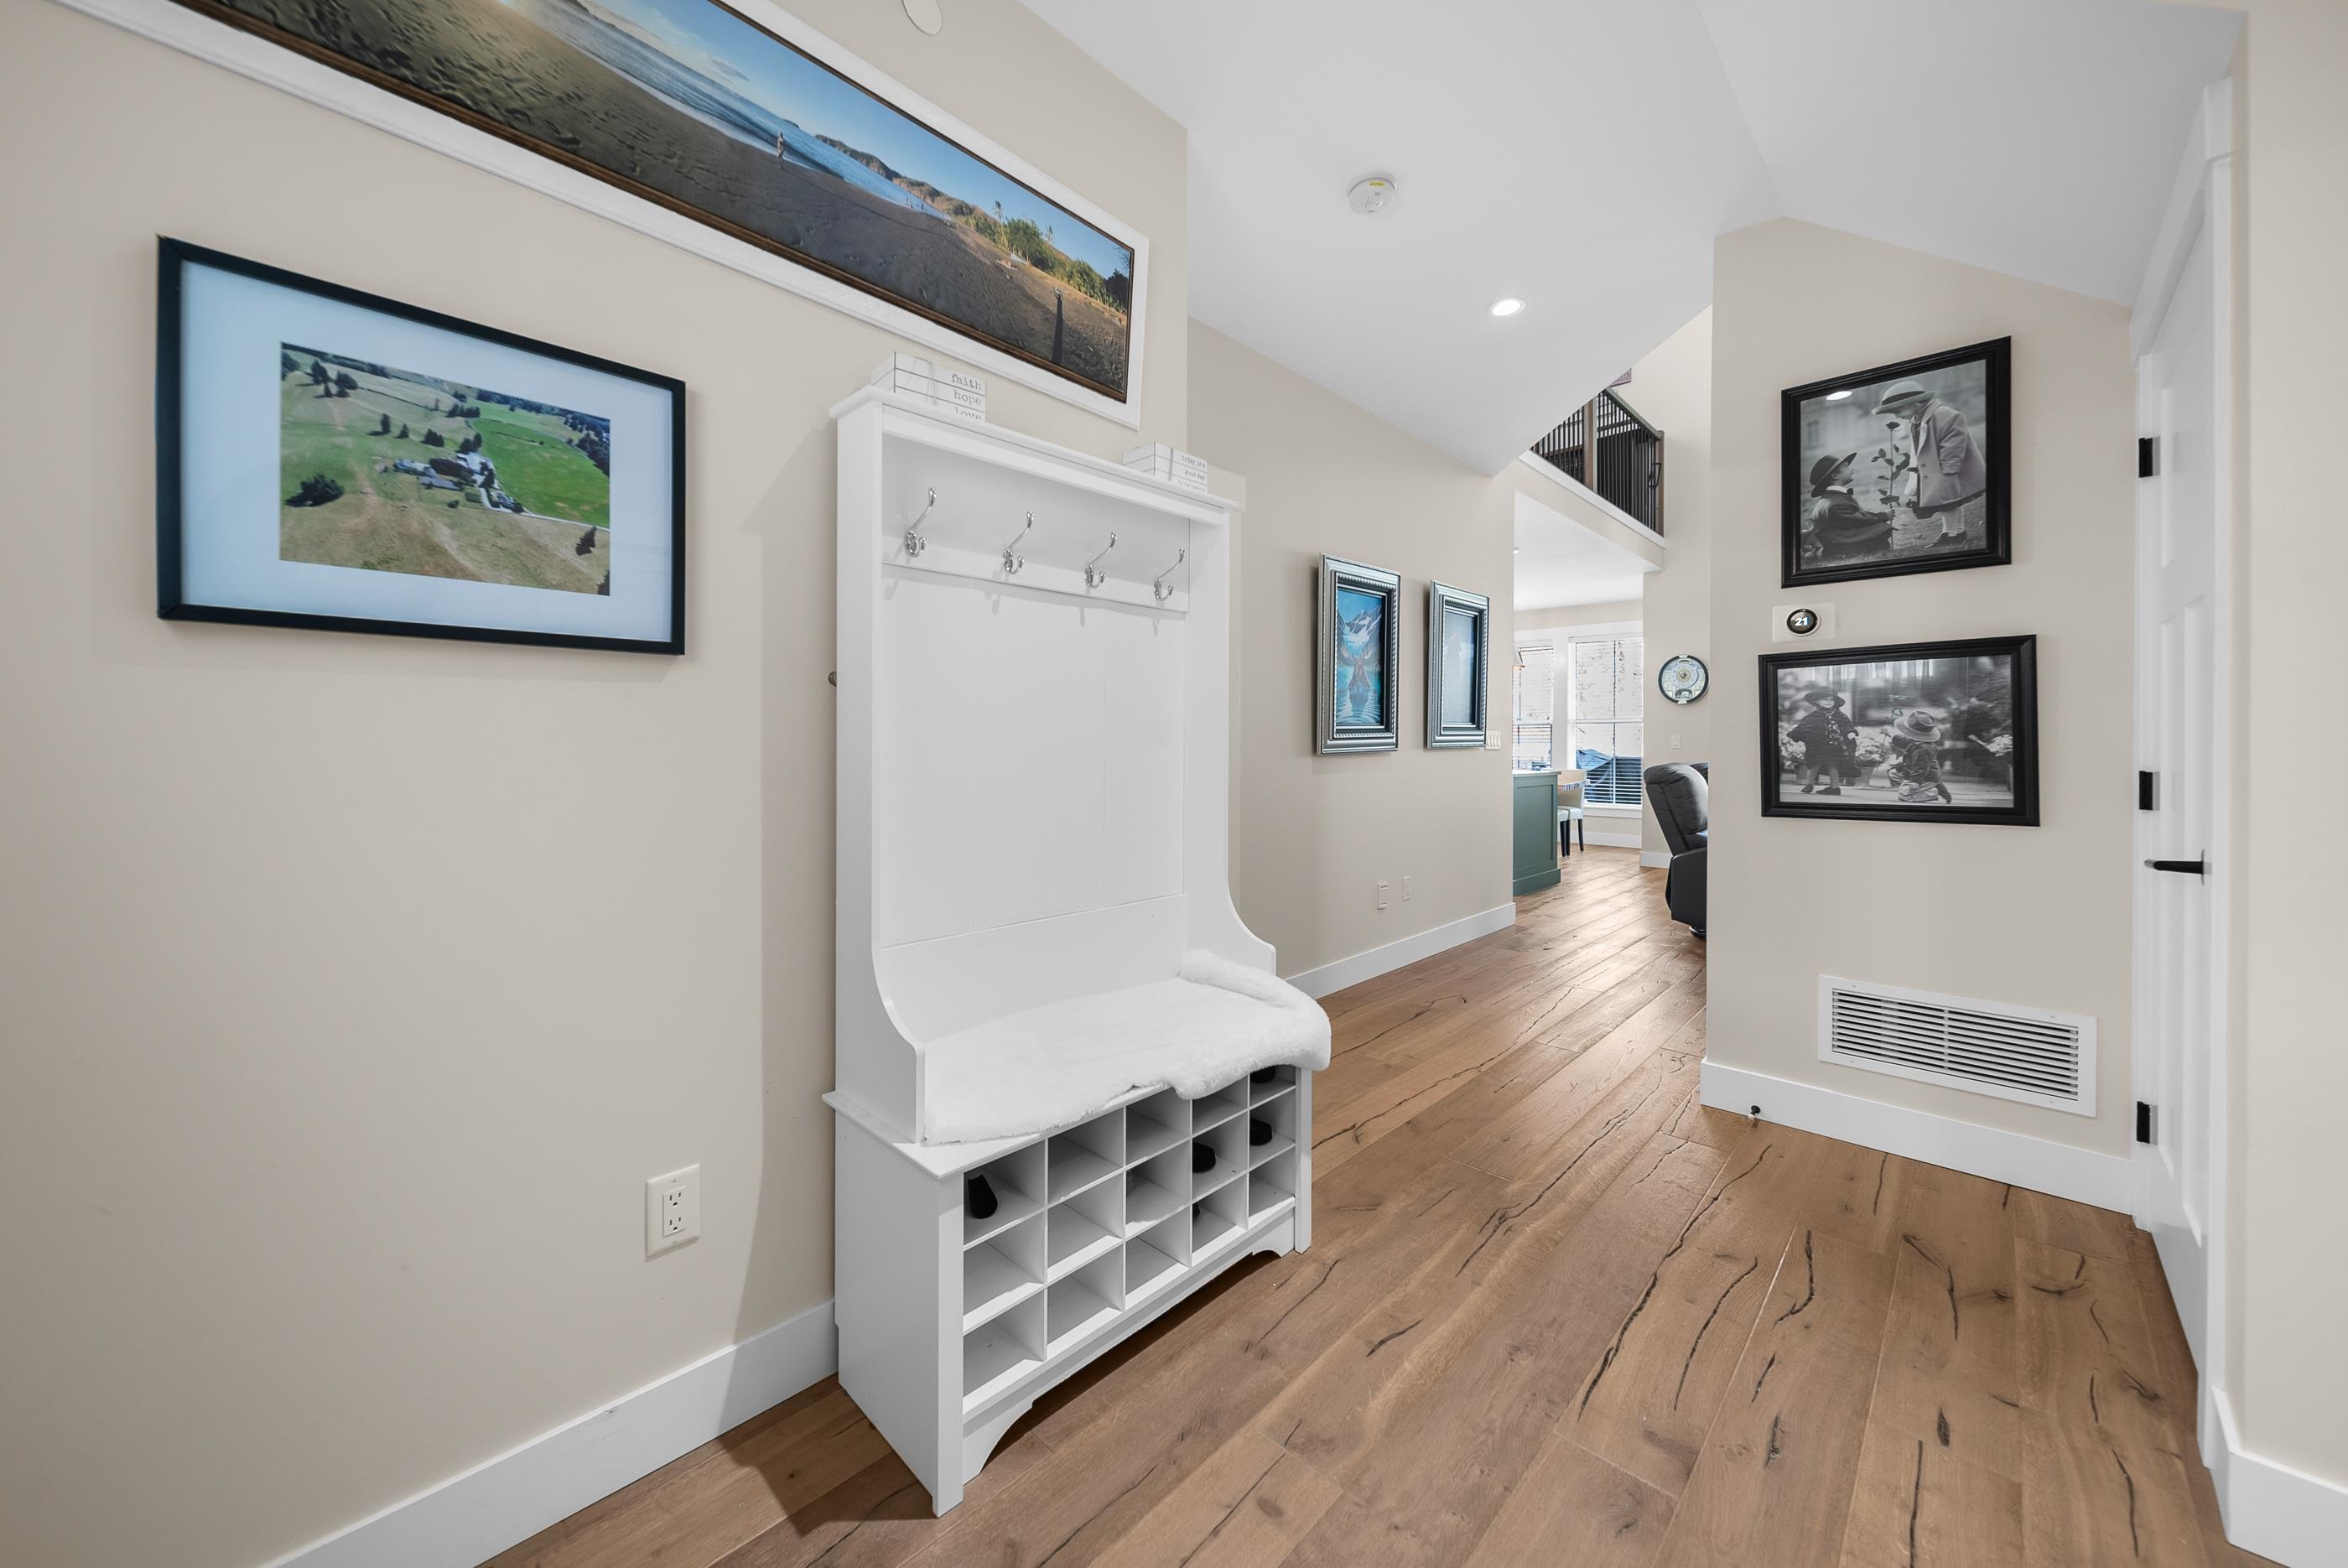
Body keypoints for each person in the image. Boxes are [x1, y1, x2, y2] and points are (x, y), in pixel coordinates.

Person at [1876, 378, 1988, 553]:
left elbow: (1954, 443)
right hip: (1933, 469)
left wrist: (1950, 467)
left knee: (1948, 502)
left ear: (1914, 405)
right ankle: (1957, 531)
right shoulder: (1917, 418)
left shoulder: (1945, 415)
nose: (1897, 416)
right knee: (1950, 501)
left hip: (1946, 468)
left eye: (1898, 411)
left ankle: (1951, 533)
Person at [1804, 453, 1896, 564]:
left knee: (1878, 530)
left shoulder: (1834, 496)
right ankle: (1838, 552)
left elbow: (1856, 517)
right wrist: (1883, 516)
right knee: (1879, 529)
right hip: (1834, 542)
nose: (1851, 469)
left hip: (1838, 535)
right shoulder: (1834, 503)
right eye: (1846, 467)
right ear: (1835, 476)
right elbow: (1856, 519)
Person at [1786, 687, 1853, 795]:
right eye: (1825, 699)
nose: (1829, 702)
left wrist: (1851, 732)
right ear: (1817, 701)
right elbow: (1804, 726)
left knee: (1833, 765)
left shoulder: (1839, 715)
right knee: (1814, 764)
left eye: (1831, 700)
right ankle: (1809, 784)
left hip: (1834, 746)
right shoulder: (1813, 716)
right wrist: (1795, 734)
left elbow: (1847, 725)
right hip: (1816, 746)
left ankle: (1834, 788)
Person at [1885, 707, 1954, 803]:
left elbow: (1921, 767)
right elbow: (1905, 742)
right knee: (1894, 773)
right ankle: (1917, 788)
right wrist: (1892, 736)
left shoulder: (1924, 749)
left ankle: (1933, 790)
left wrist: (1915, 781)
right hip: (1912, 770)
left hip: (1926, 777)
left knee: (1904, 796)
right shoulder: (1916, 741)